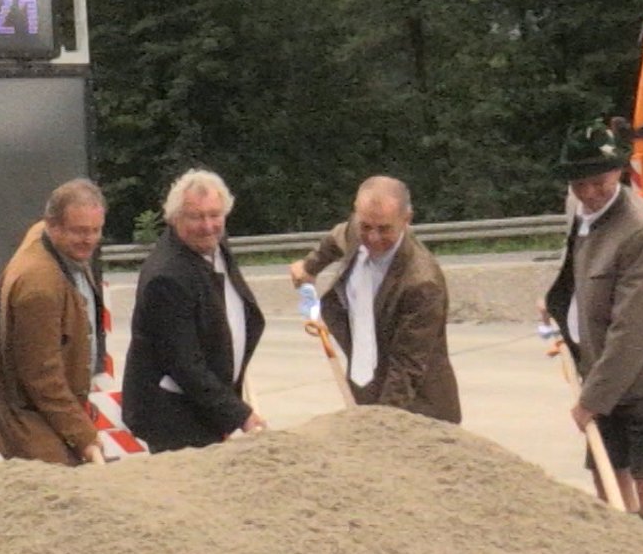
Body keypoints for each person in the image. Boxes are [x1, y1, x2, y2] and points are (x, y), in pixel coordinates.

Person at [543, 120, 643, 535]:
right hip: (603, 370)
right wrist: (557, 305)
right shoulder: (577, 207)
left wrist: (591, 401)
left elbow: (634, 334)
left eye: (599, 182)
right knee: (608, 483)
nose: (590, 193)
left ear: (620, 172)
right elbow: (579, 268)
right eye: (580, 184)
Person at [288, 175, 462, 423]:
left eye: (384, 229)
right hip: (366, 384)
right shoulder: (357, 229)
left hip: (418, 409)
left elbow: (405, 369)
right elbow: (336, 237)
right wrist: (309, 267)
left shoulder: (423, 284)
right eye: (366, 226)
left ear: (406, 219)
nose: (373, 238)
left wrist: (379, 425)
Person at [121, 169, 266, 451]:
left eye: (215, 214)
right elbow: (185, 364)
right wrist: (241, 415)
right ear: (175, 219)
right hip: (175, 416)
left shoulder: (214, 244)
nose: (208, 225)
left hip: (207, 407)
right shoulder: (166, 277)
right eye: (196, 216)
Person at [0, 178, 111, 465]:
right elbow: (42, 378)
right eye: (79, 231)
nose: (89, 240)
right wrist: (83, 436)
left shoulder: (57, 244)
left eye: (95, 230)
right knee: (60, 495)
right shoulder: (39, 288)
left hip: (46, 406)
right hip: (27, 412)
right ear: (53, 226)